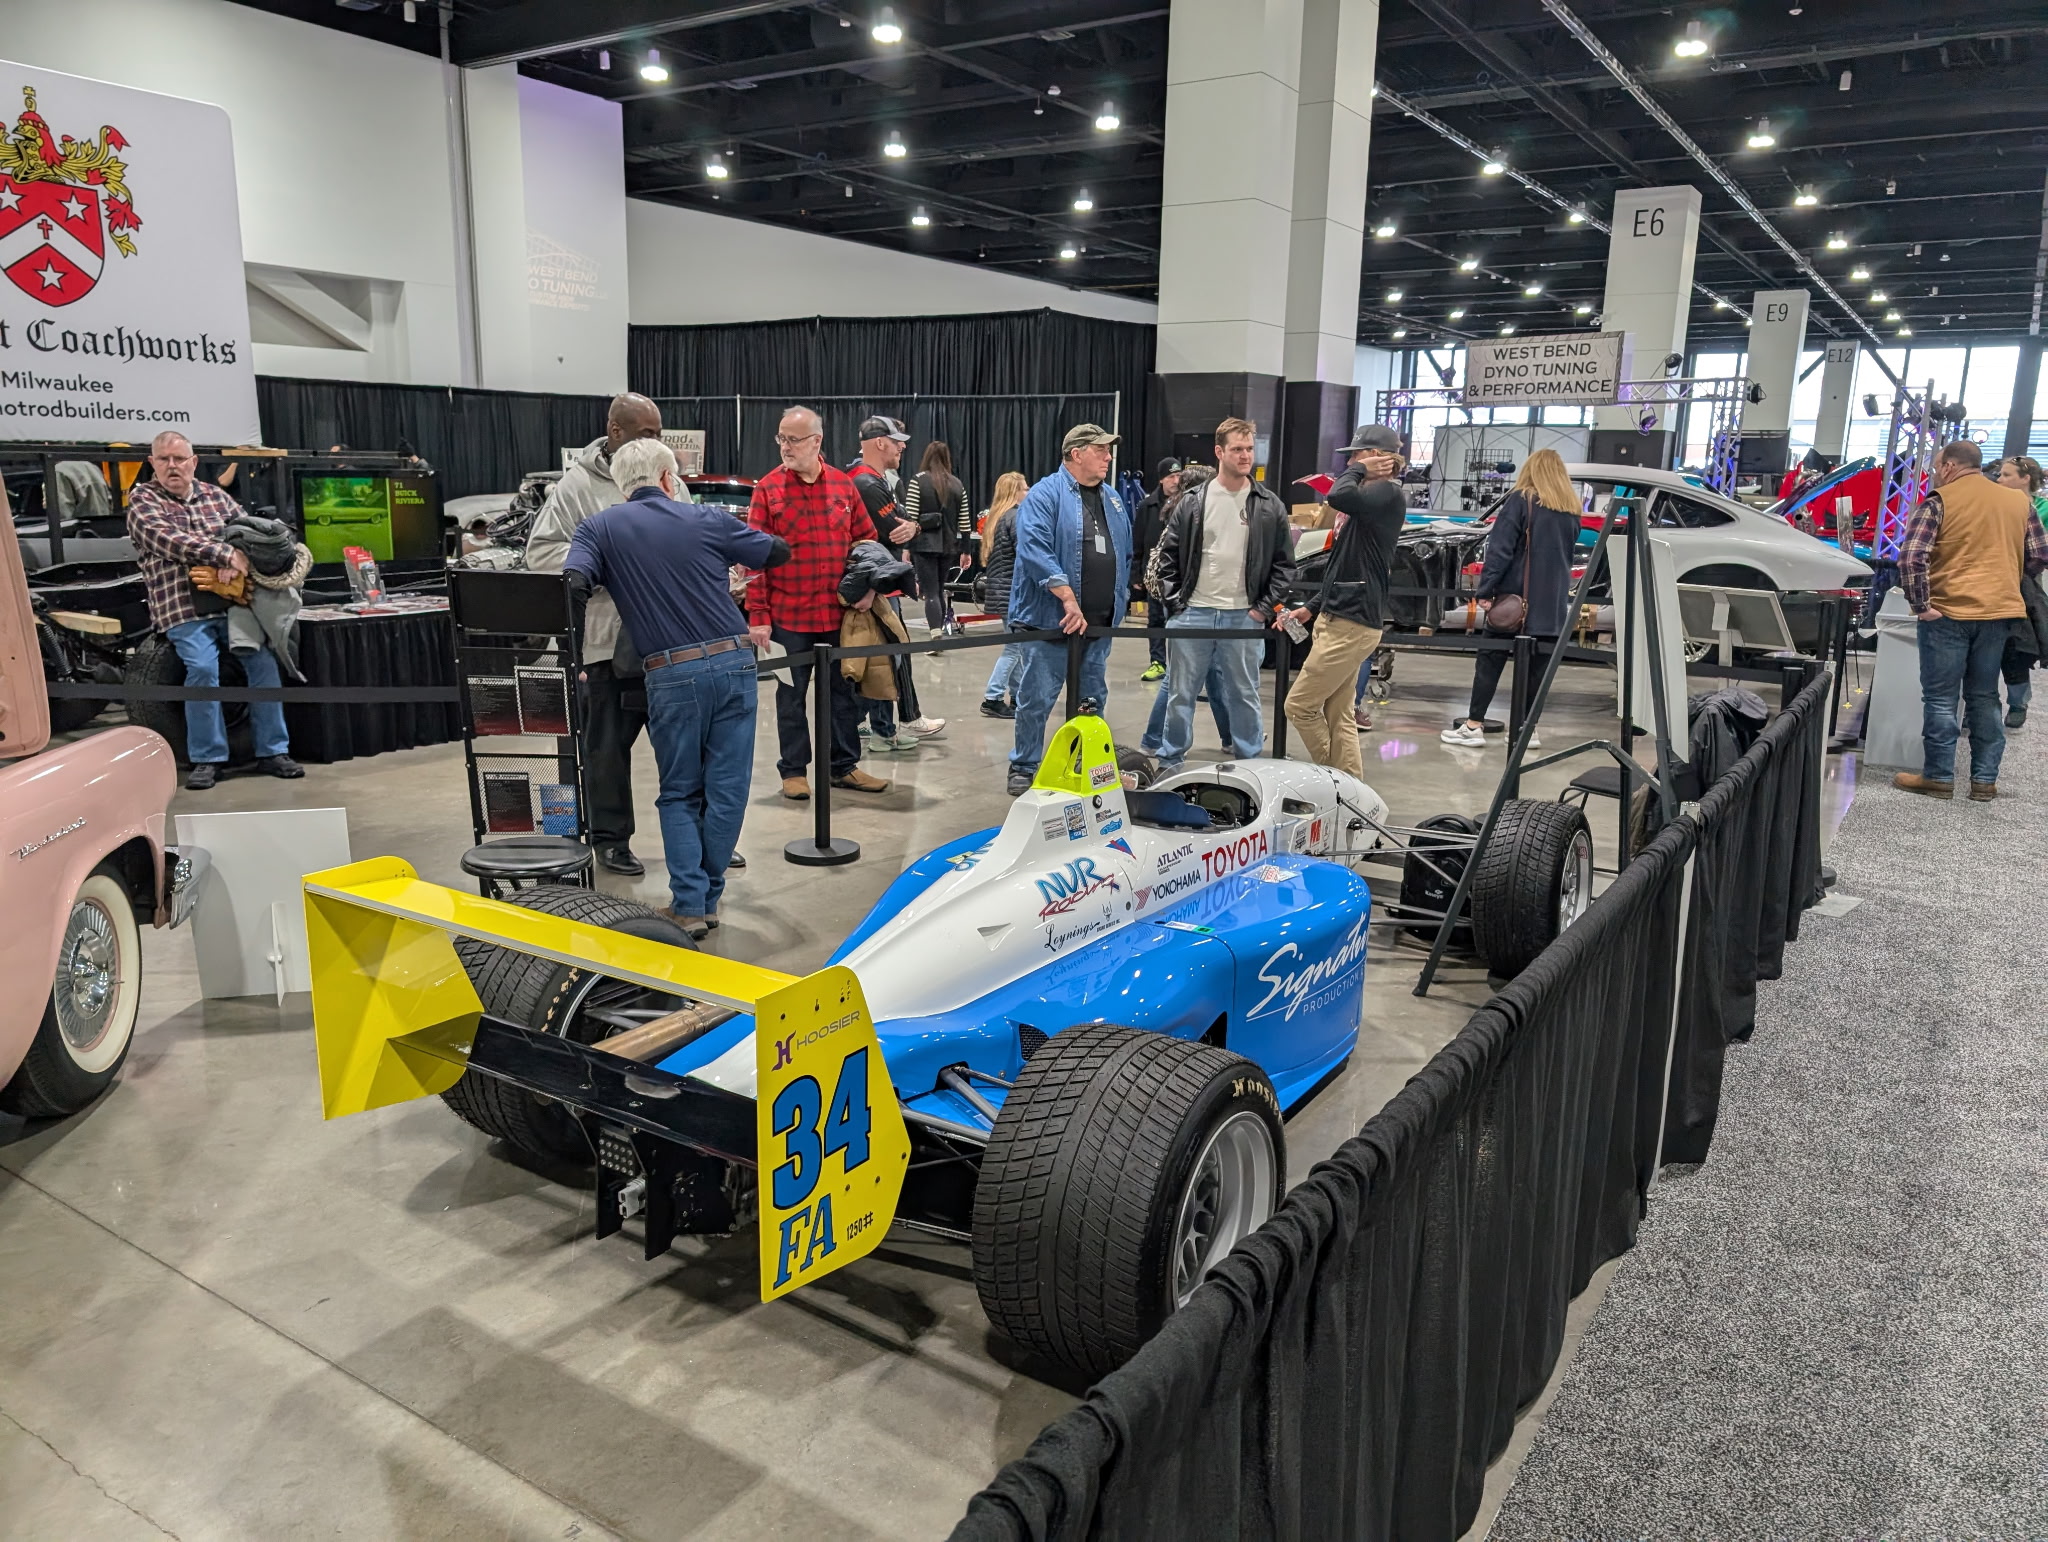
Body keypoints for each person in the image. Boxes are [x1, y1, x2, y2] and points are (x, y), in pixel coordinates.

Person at [563, 441, 788, 938]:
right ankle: (707, 900)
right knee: (727, 790)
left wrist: (577, 658)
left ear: (622, 484)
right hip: (734, 661)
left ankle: (690, 905)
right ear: (668, 477)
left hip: (673, 672)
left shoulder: (599, 527)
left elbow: (573, 582)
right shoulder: (703, 518)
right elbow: (775, 551)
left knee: (679, 793)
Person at [527, 392, 665, 875]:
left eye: (659, 435)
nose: (654, 443)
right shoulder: (575, 486)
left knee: (684, 748)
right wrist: (604, 569)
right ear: (615, 431)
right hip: (602, 645)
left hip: (664, 643)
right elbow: (540, 554)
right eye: (647, 433)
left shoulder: (667, 477)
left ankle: (697, 839)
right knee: (603, 751)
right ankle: (609, 839)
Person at [126, 429, 302, 790]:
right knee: (203, 669)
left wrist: (238, 556)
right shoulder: (143, 500)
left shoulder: (215, 496)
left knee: (264, 663)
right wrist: (225, 553)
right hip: (183, 608)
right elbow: (168, 540)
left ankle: (273, 751)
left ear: (194, 462)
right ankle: (207, 758)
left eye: (179, 459)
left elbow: (246, 532)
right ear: (152, 464)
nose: (173, 466)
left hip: (234, 605)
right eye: (164, 459)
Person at [747, 406, 892, 799]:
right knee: (790, 698)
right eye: (781, 438)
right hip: (787, 619)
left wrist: (869, 589)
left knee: (843, 696)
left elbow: (866, 544)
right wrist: (758, 618)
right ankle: (793, 771)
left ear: (817, 441)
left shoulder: (844, 486)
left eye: (793, 439)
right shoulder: (768, 489)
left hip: (838, 616)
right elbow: (755, 559)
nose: (785, 447)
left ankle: (843, 766)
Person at [1893, 439, 2048, 801]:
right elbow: (2040, 555)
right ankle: (1983, 780)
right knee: (1985, 696)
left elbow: (1911, 558)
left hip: (1947, 612)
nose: (1935, 473)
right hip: (2000, 613)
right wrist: (2009, 577)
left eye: (1935, 466)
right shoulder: (2019, 502)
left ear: (1949, 466)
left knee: (1941, 698)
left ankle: (1940, 777)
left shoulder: (1939, 500)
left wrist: (1920, 605)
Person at [1149, 419, 1295, 771]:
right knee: (1181, 694)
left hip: (1243, 616)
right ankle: (1170, 761)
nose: (1246, 456)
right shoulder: (1193, 502)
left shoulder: (1268, 504)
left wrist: (1260, 610)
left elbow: (1285, 566)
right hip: (1193, 613)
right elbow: (1166, 556)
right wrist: (1176, 606)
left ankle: (1251, 764)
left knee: (1244, 695)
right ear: (1219, 452)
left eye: (1249, 449)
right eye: (1237, 449)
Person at [1276, 424, 1408, 780]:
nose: (1349, 461)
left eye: (1357, 454)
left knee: (1299, 706)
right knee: (1339, 713)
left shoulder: (1386, 494)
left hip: (1351, 623)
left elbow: (1338, 496)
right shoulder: (1369, 502)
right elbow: (1344, 565)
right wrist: (1313, 606)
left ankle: (1338, 781)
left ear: (1381, 459)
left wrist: (1359, 471)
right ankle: (1354, 791)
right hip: (1340, 617)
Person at [1006, 423, 1132, 795]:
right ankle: (1024, 764)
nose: (1108, 457)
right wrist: (1067, 597)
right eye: (1100, 450)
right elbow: (1034, 549)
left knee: (1092, 699)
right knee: (1036, 699)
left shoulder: (1111, 498)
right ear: (1077, 454)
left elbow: (1122, 551)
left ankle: (1085, 763)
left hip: (1098, 624)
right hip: (1050, 621)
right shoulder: (1045, 494)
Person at [1440, 448, 1583, 749]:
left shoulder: (1521, 501)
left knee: (1489, 661)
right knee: (1537, 672)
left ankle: (1473, 725)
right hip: (1553, 607)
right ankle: (1525, 730)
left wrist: (1486, 591)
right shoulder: (1571, 509)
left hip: (1515, 605)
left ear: (1530, 471)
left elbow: (1500, 551)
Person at [847, 416, 944, 746]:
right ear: (880, 443)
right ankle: (902, 720)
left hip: (876, 578)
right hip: (877, 581)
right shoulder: (867, 483)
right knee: (891, 652)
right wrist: (915, 527)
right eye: (896, 440)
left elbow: (906, 523)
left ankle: (880, 727)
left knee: (881, 654)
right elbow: (896, 526)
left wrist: (914, 527)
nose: (902, 446)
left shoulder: (868, 479)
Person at [1993, 456, 2048, 728]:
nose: (1999, 480)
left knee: (2016, 649)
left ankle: (2018, 704)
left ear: (2025, 478)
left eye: (2006, 475)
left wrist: (2019, 572)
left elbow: (2040, 554)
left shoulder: (2038, 508)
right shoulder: (1991, 505)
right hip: (1990, 585)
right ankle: (1981, 706)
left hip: (2021, 588)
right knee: (1986, 651)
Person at [902, 440, 971, 634]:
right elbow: (965, 523)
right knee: (939, 589)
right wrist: (966, 551)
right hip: (949, 546)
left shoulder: (918, 480)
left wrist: (906, 547)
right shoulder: (957, 484)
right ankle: (939, 629)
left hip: (923, 545)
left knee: (930, 591)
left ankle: (934, 634)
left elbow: (910, 518)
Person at [977, 471, 1029, 718]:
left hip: (999, 591)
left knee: (1016, 647)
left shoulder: (994, 519)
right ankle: (993, 696)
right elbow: (1025, 554)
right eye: (1025, 488)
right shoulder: (1016, 517)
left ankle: (1018, 697)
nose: (1028, 493)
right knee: (1015, 649)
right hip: (1013, 592)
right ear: (1015, 492)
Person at [1131, 457, 1184, 681]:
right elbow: (1138, 542)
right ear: (1161, 479)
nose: (1175, 480)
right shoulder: (1147, 506)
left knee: (1179, 618)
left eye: (1178, 475)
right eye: (1171, 476)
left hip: (1180, 575)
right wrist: (1136, 573)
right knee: (1155, 619)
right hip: (1154, 574)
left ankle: (1178, 664)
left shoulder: (1187, 503)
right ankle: (1157, 662)